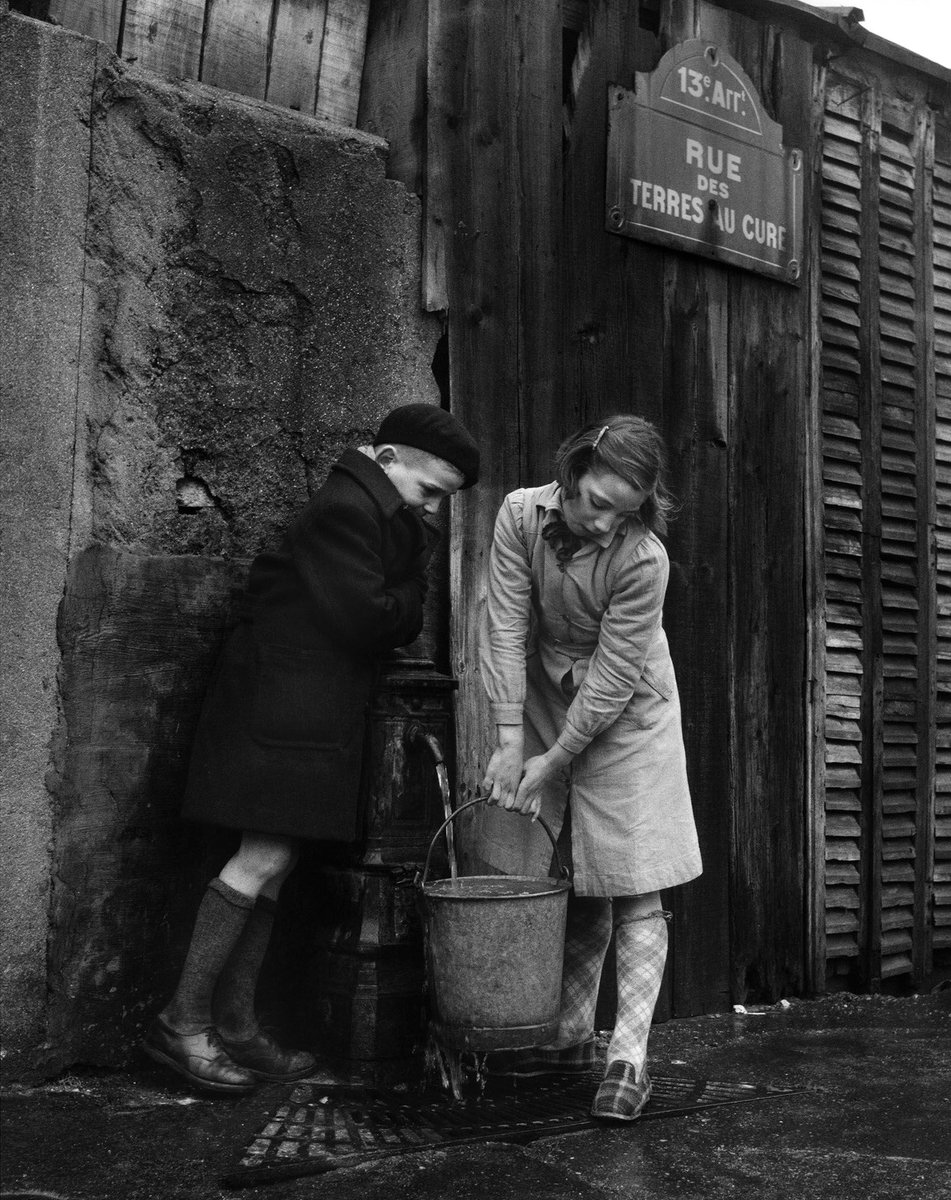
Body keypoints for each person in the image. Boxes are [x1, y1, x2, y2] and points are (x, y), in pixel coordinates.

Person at [144, 403, 480, 1095]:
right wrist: (408, 591)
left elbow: (382, 607)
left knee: (277, 862)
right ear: (387, 459)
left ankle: (236, 1025)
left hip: (304, 703)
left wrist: (400, 586)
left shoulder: (376, 512)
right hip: (282, 704)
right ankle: (181, 1021)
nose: (431, 509)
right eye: (428, 491)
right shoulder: (346, 510)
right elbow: (369, 620)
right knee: (261, 858)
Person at [477, 414, 701, 1121]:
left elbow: (611, 676)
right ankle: (571, 1036)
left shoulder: (644, 560)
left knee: (630, 873)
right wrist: (508, 736)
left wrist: (555, 758)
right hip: (545, 695)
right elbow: (505, 623)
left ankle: (628, 1060)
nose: (605, 525)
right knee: (567, 868)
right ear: (572, 474)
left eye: (622, 514)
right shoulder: (520, 515)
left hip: (629, 710)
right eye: (598, 504)